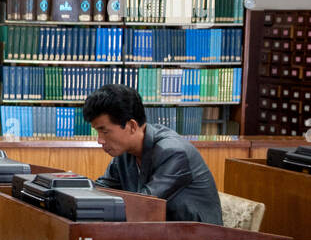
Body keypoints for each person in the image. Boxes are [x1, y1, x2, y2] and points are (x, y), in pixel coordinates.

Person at [82, 83, 222, 224]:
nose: (100, 140)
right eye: (97, 132)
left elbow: (144, 204)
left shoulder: (173, 152)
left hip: (198, 239)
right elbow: (102, 189)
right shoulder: (124, 153)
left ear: (131, 126)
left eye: (104, 131)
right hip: (160, 235)